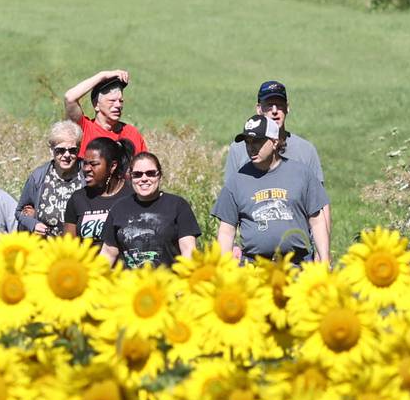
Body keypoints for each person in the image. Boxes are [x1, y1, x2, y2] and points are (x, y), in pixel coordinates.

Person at [212, 115, 330, 265]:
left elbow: (317, 221)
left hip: (298, 266)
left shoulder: (302, 174)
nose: (251, 147)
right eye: (247, 142)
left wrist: (324, 259)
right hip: (254, 268)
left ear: (275, 142)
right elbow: (226, 231)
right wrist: (223, 269)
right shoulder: (236, 180)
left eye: (257, 141)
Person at [224, 80, 330, 233]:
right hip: (252, 249)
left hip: (300, 247)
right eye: (268, 105)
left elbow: (320, 204)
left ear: (287, 108)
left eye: (280, 105)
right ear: (259, 109)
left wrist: (322, 253)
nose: (275, 111)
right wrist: (233, 246)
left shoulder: (305, 150)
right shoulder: (238, 150)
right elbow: (230, 204)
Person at [100, 152, 200, 269]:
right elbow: (108, 253)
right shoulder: (119, 208)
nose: (144, 179)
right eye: (137, 174)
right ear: (130, 176)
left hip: (168, 284)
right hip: (129, 285)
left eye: (150, 173)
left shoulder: (178, 205)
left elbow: (189, 251)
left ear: (159, 175)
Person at [15, 121, 85, 237]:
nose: (67, 155)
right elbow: (19, 211)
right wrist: (33, 224)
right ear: (51, 150)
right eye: (60, 150)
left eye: (72, 150)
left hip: (79, 248)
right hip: (46, 249)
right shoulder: (38, 177)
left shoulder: (87, 174)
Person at [64, 138, 132, 246]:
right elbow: (69, 246)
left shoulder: (131, 196)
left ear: (112, 166)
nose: (86, 169)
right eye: (85, 163)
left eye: (94, 164)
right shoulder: (78, 198)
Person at [64, 69, 147, 158]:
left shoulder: (132, 133)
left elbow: (145, 166)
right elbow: (70, 98)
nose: (118, 105)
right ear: (96, 105)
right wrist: (102, 75)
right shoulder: (84, 129)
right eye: (112, 101)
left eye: (121, 101)